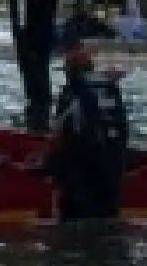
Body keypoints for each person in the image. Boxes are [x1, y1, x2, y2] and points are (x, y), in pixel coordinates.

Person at [38, 45, 129, 223]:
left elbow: (59, 138)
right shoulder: (111, 89)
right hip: (111, 180)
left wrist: (45, 165)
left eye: (66, 71)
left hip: (81, 184)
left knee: (75, 233)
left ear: (71, 72)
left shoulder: (73, 93)